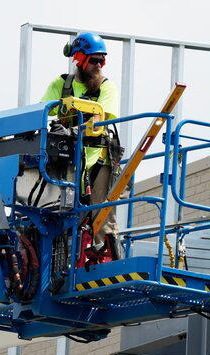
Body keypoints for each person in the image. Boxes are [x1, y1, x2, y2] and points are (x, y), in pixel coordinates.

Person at [41, 32, 123, 260]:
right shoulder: (62, 84)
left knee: (101, 214)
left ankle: (105, 257)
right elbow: (42, 111)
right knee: (60, 211)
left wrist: (76, 130)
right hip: (68, 160)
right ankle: (65, 259)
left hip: (98, 159)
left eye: (102, 60)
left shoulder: (106, 88)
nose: (99, 65)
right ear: (79, 59)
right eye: (94, 60)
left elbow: (101, 120)